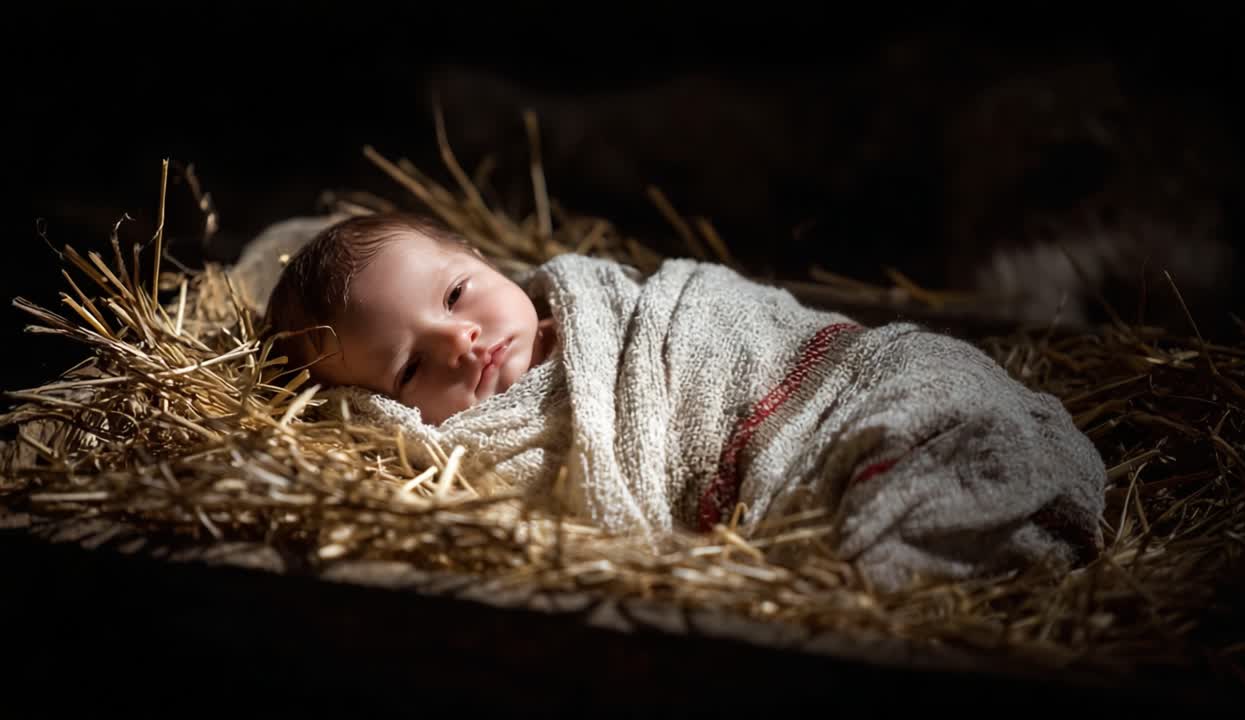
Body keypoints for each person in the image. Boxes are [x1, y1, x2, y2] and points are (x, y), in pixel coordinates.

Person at [265, 211, 1109, 593]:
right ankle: (944, 512)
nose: (459, 343)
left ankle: (961, 456)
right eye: (412, 368)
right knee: (909, 485)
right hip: (801, 466)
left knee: (932, 399)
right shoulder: (491, 453)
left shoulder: (615, 305)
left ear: (485, 260)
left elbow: (750, 333)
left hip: (847, 378)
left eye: (455, 294)